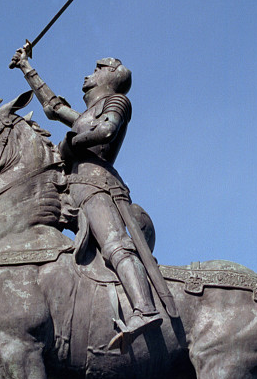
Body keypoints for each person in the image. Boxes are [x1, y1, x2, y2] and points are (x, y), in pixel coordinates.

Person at [10, 48, 162, 349]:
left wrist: (69, 143)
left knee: (115, 245)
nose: (87, 74)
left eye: (96, 68)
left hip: (99, 186)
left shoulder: (117, 101)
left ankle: (144, 310)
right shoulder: (85, 116)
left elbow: (106, 130)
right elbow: (54, 109)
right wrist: (26, 67)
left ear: (110, 75)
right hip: (74, 190)